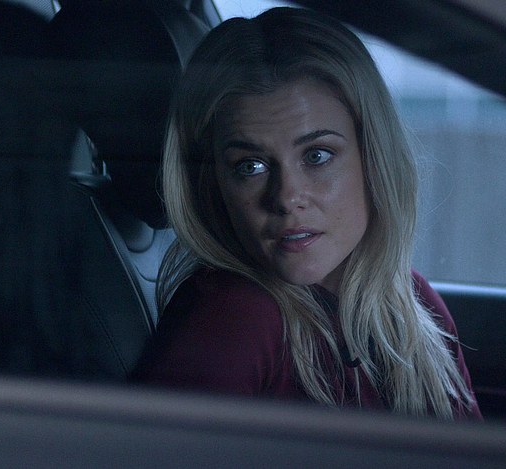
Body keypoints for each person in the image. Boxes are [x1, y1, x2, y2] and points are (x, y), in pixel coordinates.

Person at [131, 6, 482, 420]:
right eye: (250, 166)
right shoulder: (235, 317)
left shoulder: (411, 303)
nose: (286, 197)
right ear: (216, 185)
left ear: (374, 157)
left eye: (317, 155)